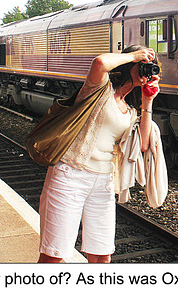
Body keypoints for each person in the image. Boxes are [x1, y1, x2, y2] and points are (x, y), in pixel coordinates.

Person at [38, 45, 160, 263]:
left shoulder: (129, 109)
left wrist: (147, 101)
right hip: (69, 176)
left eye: (148, 66)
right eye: (142, 65)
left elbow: (142, 144)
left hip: (103, 182)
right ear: (127, 65)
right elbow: (99, 63)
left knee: (102, 257)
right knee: (54, 257)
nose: (146, 71)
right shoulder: (98, 89)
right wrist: (134, 55)